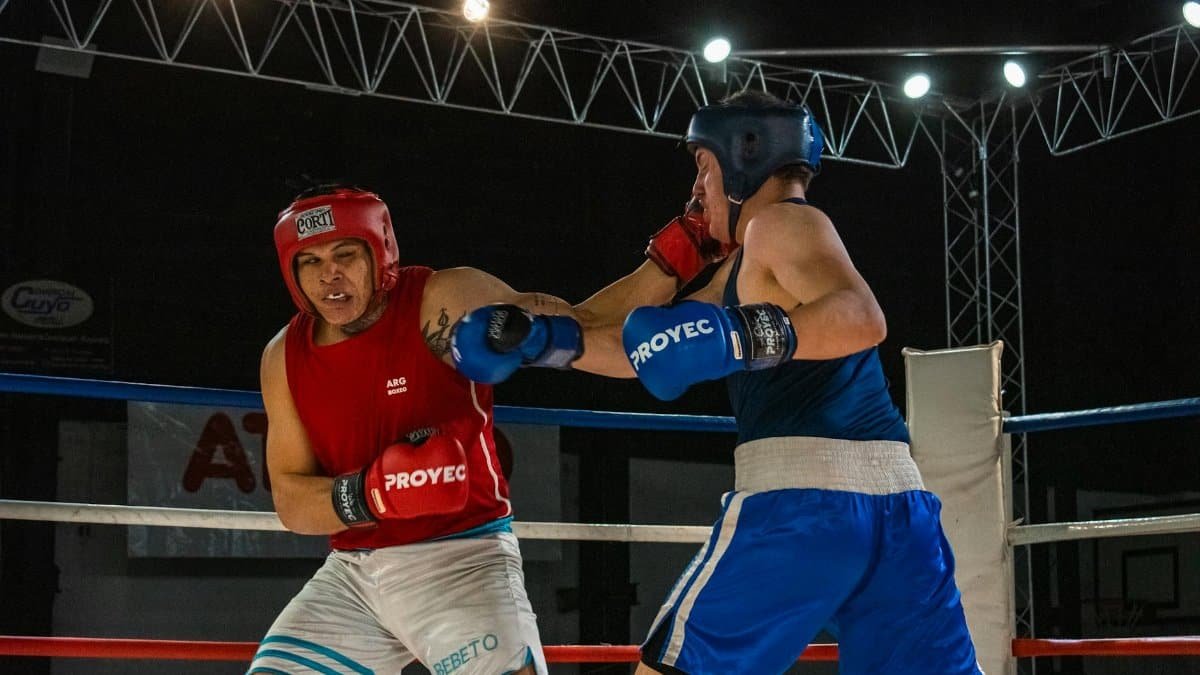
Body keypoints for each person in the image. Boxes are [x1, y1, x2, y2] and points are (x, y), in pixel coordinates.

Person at [451, 91, 981, 674]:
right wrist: (539, 340)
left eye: (703, 166)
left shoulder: (782, 222)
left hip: (804, 506)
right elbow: (640, 347)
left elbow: (861, 317)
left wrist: (739, 336)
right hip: (899, 512)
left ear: (742, 157)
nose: (697, 189)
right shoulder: (744, 265)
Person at [250, 184, 584, 675]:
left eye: (345, 255)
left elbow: (585, 329)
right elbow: (291, 501)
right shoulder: (284, 356)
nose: (329, 275)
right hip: (353, 576)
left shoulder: (443, 299)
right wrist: (373, 494)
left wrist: (667, 267)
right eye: (310, 261)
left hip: (461, 557)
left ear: (379, 250)